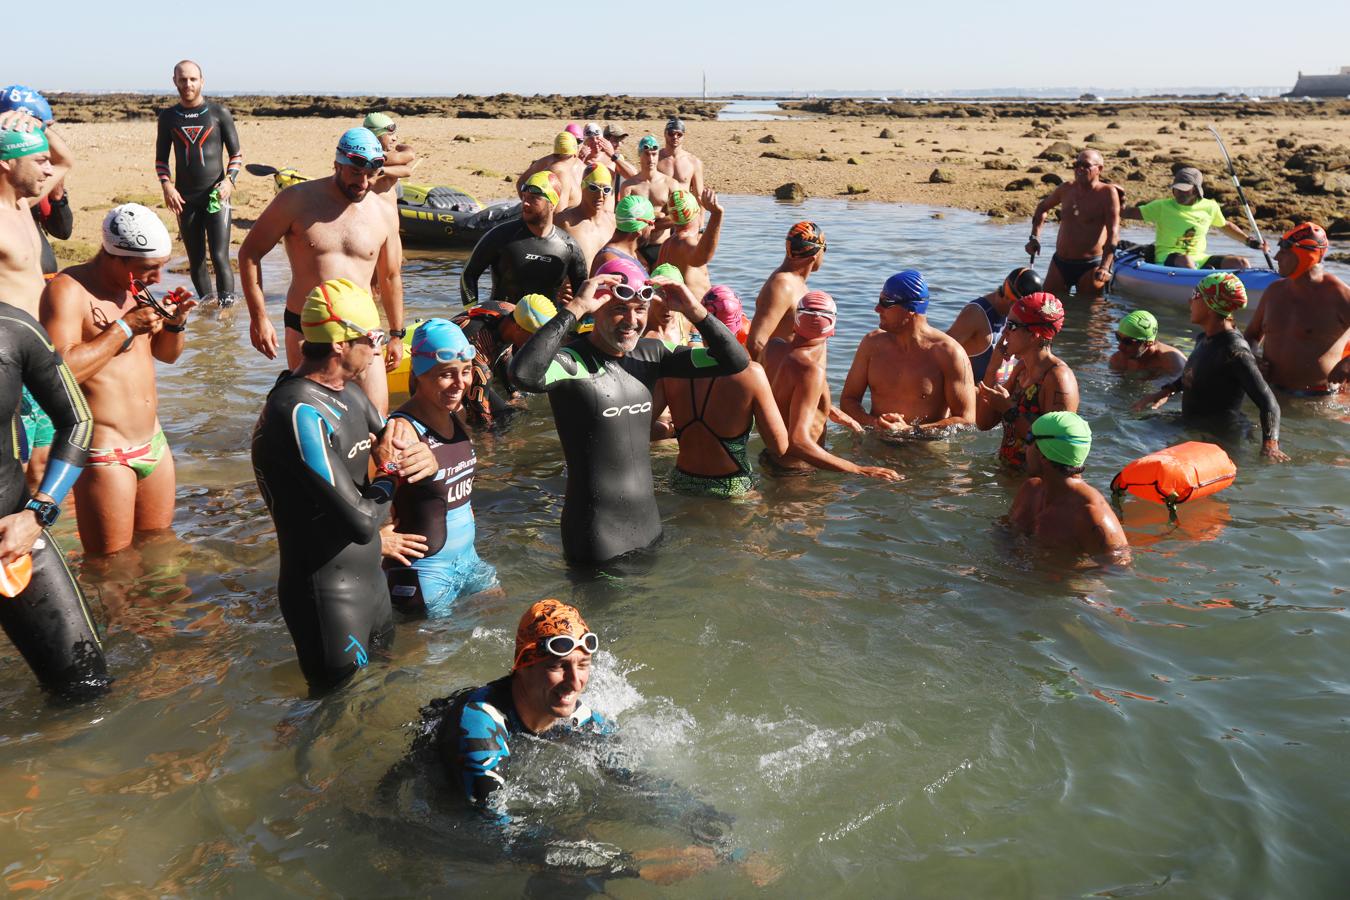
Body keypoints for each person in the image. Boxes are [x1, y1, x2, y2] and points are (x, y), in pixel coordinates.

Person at [251, 278, 436, 693]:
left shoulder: (347, 393)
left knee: (382, 692)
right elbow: (362, 522)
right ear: (338, 343)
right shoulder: (296, 411)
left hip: (369, 584)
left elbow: (390, 434)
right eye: (371, 338)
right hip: (326, 594)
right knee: (334, 715)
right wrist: (389, 472)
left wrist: (418, 448)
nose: (377, 349)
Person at [510, 270, 750, 565]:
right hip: (596, 535)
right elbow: (523, 375)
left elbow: (735, 361)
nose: (632, 320)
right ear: (597, 310)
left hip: (649, 528)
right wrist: (575, 309)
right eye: (619, 309)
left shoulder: (653, 355)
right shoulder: (573, 363)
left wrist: (694, 310)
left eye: (640, 310)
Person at [40, 204, 197, 556]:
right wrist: (124, 327)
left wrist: (175, 323)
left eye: (161, 267)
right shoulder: (68, 289)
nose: (158, 278)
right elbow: (59, 372)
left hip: (154, 444)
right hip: (105, 454)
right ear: (115, 257)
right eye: (149, 268)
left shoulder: (135, 288)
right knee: (112, 570)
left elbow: (166, 354)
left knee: (163, 556)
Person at [240, 128, 405, 414]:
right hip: (308, 331)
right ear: (337, 164)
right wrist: (259, 318)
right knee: (315, 417)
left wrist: (396, 334)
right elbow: (249, 253)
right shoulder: (296, 200)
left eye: (371, 173)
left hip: (363, 331)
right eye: (355, 172)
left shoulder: (384, 212)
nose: (363, 182)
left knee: (377, 419)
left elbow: (390, 276)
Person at [0, 295, 109, 699]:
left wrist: (38, 512)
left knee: (87, 688)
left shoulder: (14, 328)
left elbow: (77, 420)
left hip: (15, 536)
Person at [383, 320, 497, 617]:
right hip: (425, 574)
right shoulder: (401, 432)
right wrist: (377, 538)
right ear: (420, 375)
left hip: (467, 560)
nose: (460, 384)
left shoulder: (455, 415)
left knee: (499, 614)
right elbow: (362, 501)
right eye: (446, 375)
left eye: (466, 372)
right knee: (433, 661)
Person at [651, 284, 789, 497]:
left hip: (681, 481)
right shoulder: (751, 374)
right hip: (732, 487)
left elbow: (641, 426)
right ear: (739, 326)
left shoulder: (674, 366)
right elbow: (779, 446)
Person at [1136, 273, 1288, 461]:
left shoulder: (1234, 350)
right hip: (1193, 425)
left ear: (1210, 304)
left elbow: (1269, 403)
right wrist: (1166, 391)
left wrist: (1270, 445)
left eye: (1195, 295)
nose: (1189, 300)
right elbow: (1197, 372)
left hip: (1219, 440)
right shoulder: (1204, 339)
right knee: (1134, 424)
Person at [762, 292, 901, 481]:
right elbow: (797, 442)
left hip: (770, 459)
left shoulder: (772, 348)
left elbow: (782, 396)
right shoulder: (811, 371)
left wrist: (827, 408)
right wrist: (860, 469)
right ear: (832, 330)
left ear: (796, 322)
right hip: (798, 472)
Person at [841, 270, 976, 436]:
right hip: (877, 441)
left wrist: (911, 431)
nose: (877, 308)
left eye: (886, 302)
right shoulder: (872, 344)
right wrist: (874, 423)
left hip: (925, 448)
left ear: (911, 308)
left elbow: (966, 419)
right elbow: (848, 400)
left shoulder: (949, 354)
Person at [155, 60, 242, 306]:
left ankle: (226, 313)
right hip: (185, 199)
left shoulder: (219, 113)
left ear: (202, 81)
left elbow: (236, 155)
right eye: (182, 79)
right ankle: (206, 307)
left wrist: (229, 181)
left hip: (217, 197)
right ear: (175, 82)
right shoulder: (168, 117)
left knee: (219, 256)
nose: (188, 84)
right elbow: (161, 160)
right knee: (196, 260)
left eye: (193, 79)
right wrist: (167, 186)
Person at [975, 292, 1079, 470]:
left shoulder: (1058, 379)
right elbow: (983, 424)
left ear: (1034, 335)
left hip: (1036, 485)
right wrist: (992, 369)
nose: (1005, 331)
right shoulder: (1022, 369)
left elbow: (1055, 450)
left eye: (1012, 325)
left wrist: (1009, 410)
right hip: (1008, 477)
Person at [1009, 411, 1131, 563]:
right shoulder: (1030, 490)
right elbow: (1004, 533)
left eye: (1028, 440)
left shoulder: (1092, 514)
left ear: (1044, 452)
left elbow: (1119, 571)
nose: (1024, 448)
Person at [1244, 222, 1350, 395]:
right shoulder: (1274, 291)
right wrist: (1250, 358)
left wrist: (1348, 363)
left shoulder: (1338, 295)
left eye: (1285, 252)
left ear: (1307, 255)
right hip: (1269, 393)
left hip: (1318, 400)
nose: (1276, 257)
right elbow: (1251, 335)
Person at [459, 171, 587, 309]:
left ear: (552, 203)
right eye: (524, 197)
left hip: (546, 325)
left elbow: (583, 289)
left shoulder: (568, 246)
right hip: (503, 323)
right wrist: (472, 311)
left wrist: (576, 317)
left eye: (533, 198)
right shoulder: (501, 235)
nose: (525, 203)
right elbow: (468, 275)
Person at [0, 106, 72, 318]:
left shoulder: (22, 204)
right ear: (6, 162)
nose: (49, 170)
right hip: (10, 345)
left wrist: (38, 125)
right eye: (40, 161)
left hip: (39, 339)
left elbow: (65, 161)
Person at [1120, 167, 1265, 269]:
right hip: (1166, 258)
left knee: (1241, 263)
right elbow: (1126, 213)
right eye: (1176, 189)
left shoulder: (1210, 207)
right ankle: (1202, 287)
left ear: (1196, 190)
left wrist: (1249, 241)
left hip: (1199, 259)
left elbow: (1224, 225)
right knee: (1186, 260)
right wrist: (1118, 200)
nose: (1178, 193)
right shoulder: (1161, 207)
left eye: (1184, 190)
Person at [450, 293, 557, 428]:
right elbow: (481, 414)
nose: (539, 345)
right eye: (535, 338)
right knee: (505, 418)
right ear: (518, 327)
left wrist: (514, 393)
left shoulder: (512, 314)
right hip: (453, 367)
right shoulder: (478, 348)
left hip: (480, 356)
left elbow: (504, 350)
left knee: (519, 403)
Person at [1025, 149, 1119, 297]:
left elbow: (1113, 233)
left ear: (1099, 169)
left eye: (1085, 165)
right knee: (1047, 307)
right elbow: (1042, 207)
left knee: (1091, 314)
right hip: (1060, 263)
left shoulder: (1107, 193)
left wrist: (1105, 267)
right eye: (1077, 164)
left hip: (1091, 265)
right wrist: (1034, 237)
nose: (1080, 169)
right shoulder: (1066, 189)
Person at [746, 222, 827, 360]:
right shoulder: (782, 285)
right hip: (779, 377)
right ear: (815, 254)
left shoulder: (795, 282)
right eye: (824, 249)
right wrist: (777, 377)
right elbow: (756, 342)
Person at [946, 266, 1042, 383]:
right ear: (1010, 300)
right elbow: (940, 352)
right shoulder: (976, 314)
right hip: (976, 396)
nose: (1027, 316)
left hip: (1003, 395)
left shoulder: (1016, 316)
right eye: (1025, 309)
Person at [618, 135, 677, 268]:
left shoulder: (670, 184)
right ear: (640, 155)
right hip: (637, 248)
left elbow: (677, 217)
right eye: (646, 154)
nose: (650, 159)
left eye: (654, 154)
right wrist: (656, 215)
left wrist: (649, 224)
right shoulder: (629, 186)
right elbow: (624, 219)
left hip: (662, 245)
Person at [655, 188, 724, 301]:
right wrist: (716, 215)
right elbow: (702, 258)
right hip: (691, 316)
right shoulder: (685, 242)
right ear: (696, 211)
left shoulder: (668, 243)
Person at [556, 163, 616, 270]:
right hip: (576, 286)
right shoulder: (564, 221)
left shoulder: (613, 222)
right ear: (582, 186)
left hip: (605, 286)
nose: (600, 195)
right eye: (594, 188)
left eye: (606, 190)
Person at [515, 132, 584, 212]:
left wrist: (527, 205)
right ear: (575, 153)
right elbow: (558, 213)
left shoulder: (548, 160)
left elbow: (520, 182)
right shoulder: (561, 174)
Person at [1109, 310, 1185, 378]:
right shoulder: (1118, 360)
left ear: (1148, 343)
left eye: (1128, 342)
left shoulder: (1173, 363)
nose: (1120, 347)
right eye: (1118, 337)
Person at [592, 193, 655, 274]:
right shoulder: (612, 260)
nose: (653, 227)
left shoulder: (632, 253)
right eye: (651, 223)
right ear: (638, 228)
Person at [364, 112, 417, 205]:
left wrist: (382, 170)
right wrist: (402, 147)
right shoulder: (371, 154)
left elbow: (406, 170)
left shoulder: (383, 155)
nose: (395, 138)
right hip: (376, 208)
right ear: (376, 136)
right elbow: (410, 155)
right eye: (390, 134)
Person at [657, 117, 706, 199]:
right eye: (671, 133)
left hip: (684, 210)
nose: (675, 137)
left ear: (684, 135)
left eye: (679, 134)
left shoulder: (693, 162)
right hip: (661, 210)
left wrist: (700, 212)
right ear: (665, 133)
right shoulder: (654, 159)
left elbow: (699, 195)